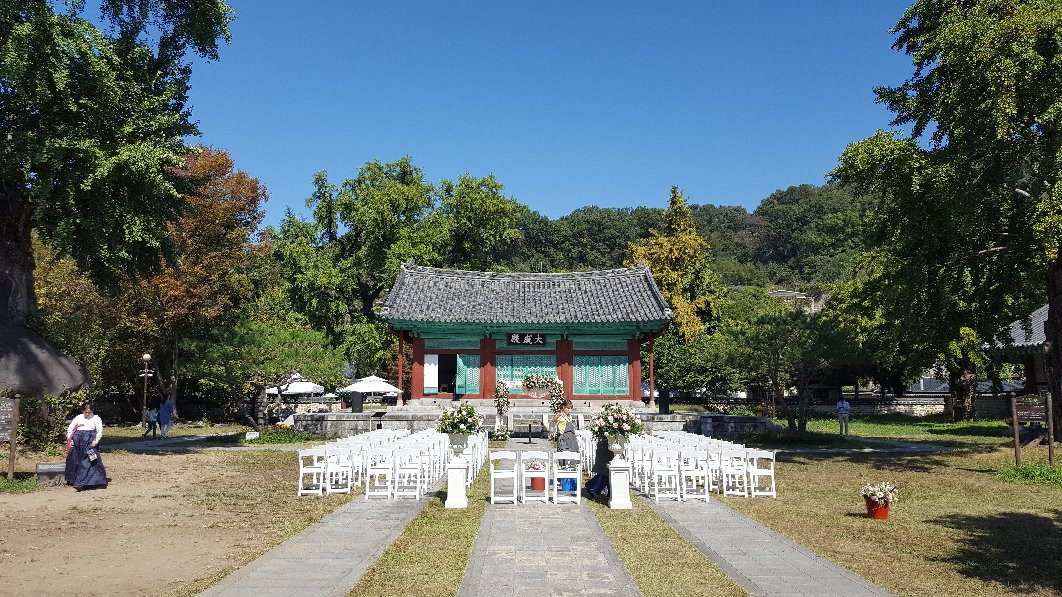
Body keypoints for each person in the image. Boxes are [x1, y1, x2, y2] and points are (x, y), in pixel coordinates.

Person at [65, 402, 108, 491]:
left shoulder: (96, 418)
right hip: (77, 443)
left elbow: (99, 431)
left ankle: (83, 482)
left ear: (92, 411)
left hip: (89, 442)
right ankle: (74, 479)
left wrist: (96, 441)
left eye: (89, 412)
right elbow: (70, 429)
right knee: (75, 461)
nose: (87, 414)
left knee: (90, 461)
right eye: (86, 412)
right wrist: (70, 440)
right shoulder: (78, 417)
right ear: (83, 411)